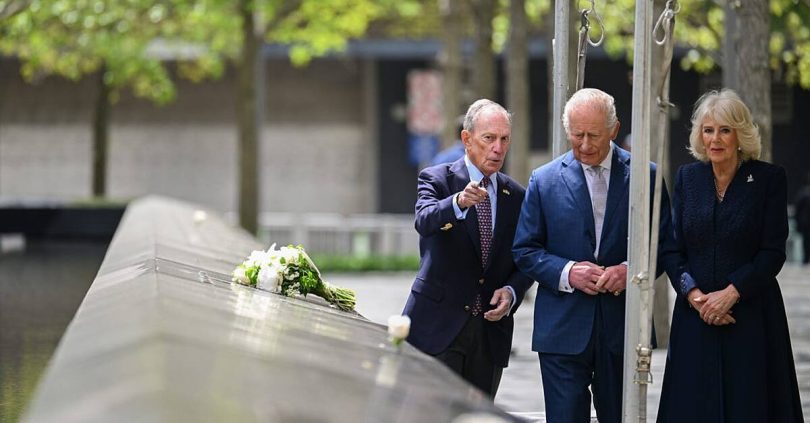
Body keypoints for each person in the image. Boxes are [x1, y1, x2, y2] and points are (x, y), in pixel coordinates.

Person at [512, 88, 672, 423]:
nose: (585, 144)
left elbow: (664, 243)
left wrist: (630, 271)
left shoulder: (647, 176)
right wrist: (568, 272)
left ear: (614, 130)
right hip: (562, 329)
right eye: (577, 135)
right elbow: (525, 250)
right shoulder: (544, 180)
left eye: (594, 135)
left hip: (622, 329)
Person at [656, 89, 803, 422]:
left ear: (741, 135)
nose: (715, 139)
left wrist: (731, 293)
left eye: (725, 130)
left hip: (751, 315)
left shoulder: (768, 179)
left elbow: (773, 251)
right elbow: (671, 249)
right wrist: (694, 295)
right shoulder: (687, 178)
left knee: (749, 406)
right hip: (694, 316)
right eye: (708, 130)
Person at [403, 99, 533, 397]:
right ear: (466, 139)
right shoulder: (437, 178)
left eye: (504, 139)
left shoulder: (515, 195)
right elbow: (424, 220)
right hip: (437, 327)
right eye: (489, 139)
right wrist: (458, 203)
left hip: (489, 334)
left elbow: (526, 256)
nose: (498, 148)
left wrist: (513, 291)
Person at [795, 171, 810, 264]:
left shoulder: (803, 193)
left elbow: (798, 209)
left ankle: (805, 259)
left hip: (805, 223)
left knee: (806, 242)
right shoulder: (804, 193)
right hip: (806, 222)